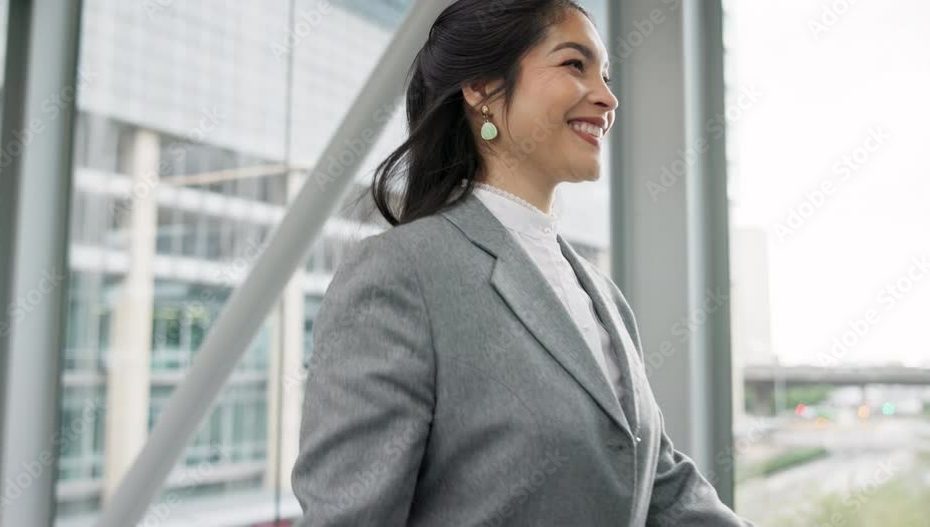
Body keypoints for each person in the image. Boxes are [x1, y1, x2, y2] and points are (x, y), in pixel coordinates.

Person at [291, 1, 755, 525]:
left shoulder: (601, 295)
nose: (607, 97)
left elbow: (660, 484)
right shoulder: (402, 273)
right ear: (483, 88)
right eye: (574, 65)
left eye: (604, 74)